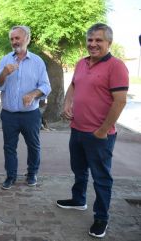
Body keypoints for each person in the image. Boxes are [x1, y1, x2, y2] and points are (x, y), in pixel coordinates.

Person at [56, 23, 129, 238]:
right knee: (78, 169)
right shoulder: (81, 63)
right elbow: (74, 85)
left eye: (99, 40)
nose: (93, 44)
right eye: (90, 40)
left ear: (109, 42)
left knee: (101, 178)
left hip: (100, 135)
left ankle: (101, 218)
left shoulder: (116, 66)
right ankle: (78, 200)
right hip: (77, 129)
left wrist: (103, 130)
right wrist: (67, 103)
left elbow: (120, 101)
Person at [0, 26, 51, 189]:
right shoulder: (5, 60)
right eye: (12, 39)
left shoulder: (37, 61)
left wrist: (33, 94)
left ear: (27, 39)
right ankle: (11, 176)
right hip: (9, 114)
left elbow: (46, 86)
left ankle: (32, 174)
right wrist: (4, 73)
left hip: (30, 115)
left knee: (33, 145)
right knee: (9, 147)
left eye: (18, 38)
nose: (14, 42)